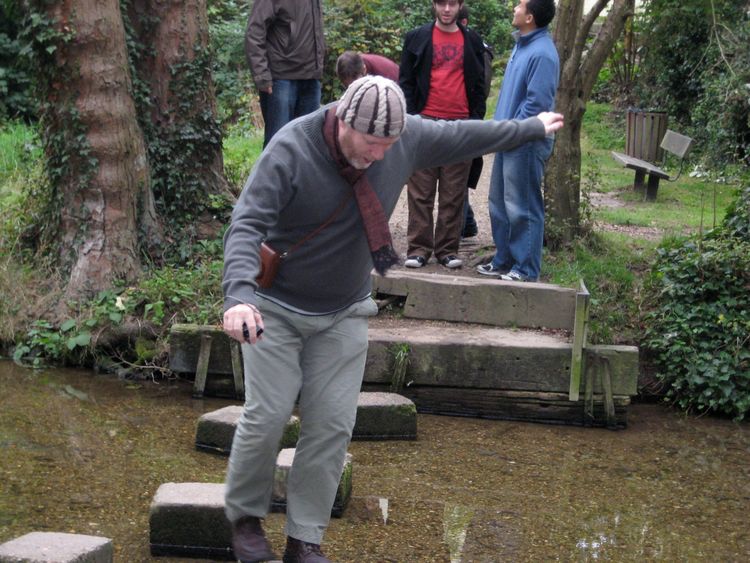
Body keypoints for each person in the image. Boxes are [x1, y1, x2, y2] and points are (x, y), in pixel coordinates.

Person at [222, 75, 563, 563]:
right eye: (370, 144)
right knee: (269, 414)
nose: (380, 156)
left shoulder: (405, 138)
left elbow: (466, 134)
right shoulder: (291, 148)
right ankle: (246, 521)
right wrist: (238, 296)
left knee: (333, 424)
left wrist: (529, 127)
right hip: (273, 308)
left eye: (388, 145)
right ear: (343, 121)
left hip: (343, 310)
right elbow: (247, 223)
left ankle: (305, 539)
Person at [399, 0, 487, 269]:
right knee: (420, 191)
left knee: (453, 193)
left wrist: (474, 122)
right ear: (434, 5)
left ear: (460, 6)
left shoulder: (472, 40)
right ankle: (418, 249)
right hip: (424, 123)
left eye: (452, 4)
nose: (447, 9)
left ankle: (447, 250)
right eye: (441, 3)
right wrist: (412, 120)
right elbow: (406, 82)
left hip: (459, 126)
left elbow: (479, 84)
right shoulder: (416, 38)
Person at [477, 0, 560, 281]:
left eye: (520, 4)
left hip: (524, 142)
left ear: (530, 17)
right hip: (507, 139)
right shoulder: (522, 45)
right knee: (499, 204)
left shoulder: (543, 54)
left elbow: (536, 105)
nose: (515, 7)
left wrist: (513, 133)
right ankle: (504, 260)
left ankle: (525, 269)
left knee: (522, 207)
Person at [245, 0, 325, 148]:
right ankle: (271, 173)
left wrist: (318, 69)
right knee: (277, 145)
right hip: (281, 78)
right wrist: (261, 75)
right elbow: (254, 32)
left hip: (311, 79)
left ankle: (302, 173)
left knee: (308, 146)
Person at [457, 4, 495, 239]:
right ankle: (467, 221)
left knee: (459, 175)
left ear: (464, 23)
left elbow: (480, 88)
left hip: (467, 119)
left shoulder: (476, 48)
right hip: (463, 119)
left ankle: (463, 224)